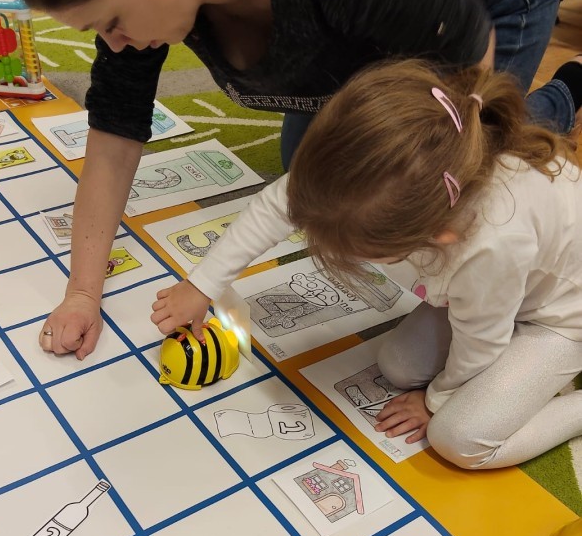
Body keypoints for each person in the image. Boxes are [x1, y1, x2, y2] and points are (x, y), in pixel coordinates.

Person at [9, 0, 571, 360]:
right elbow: (114, 129)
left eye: (111, 20)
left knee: (487, 171)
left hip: (479, 7)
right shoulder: (154, 9)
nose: (113, 42)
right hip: (373, 45)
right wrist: (82, 293)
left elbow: (456, 117)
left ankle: (567, 93)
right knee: (319, 186)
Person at [153, 59, 582, 470]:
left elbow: (482, 342)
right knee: (398, 366)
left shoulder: (489, 245)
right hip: (495, 293)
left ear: (434, 236)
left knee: (458, 439)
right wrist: (202, 284)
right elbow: (276, 205)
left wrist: (435, 400)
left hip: (561, 317)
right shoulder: (375, 171)